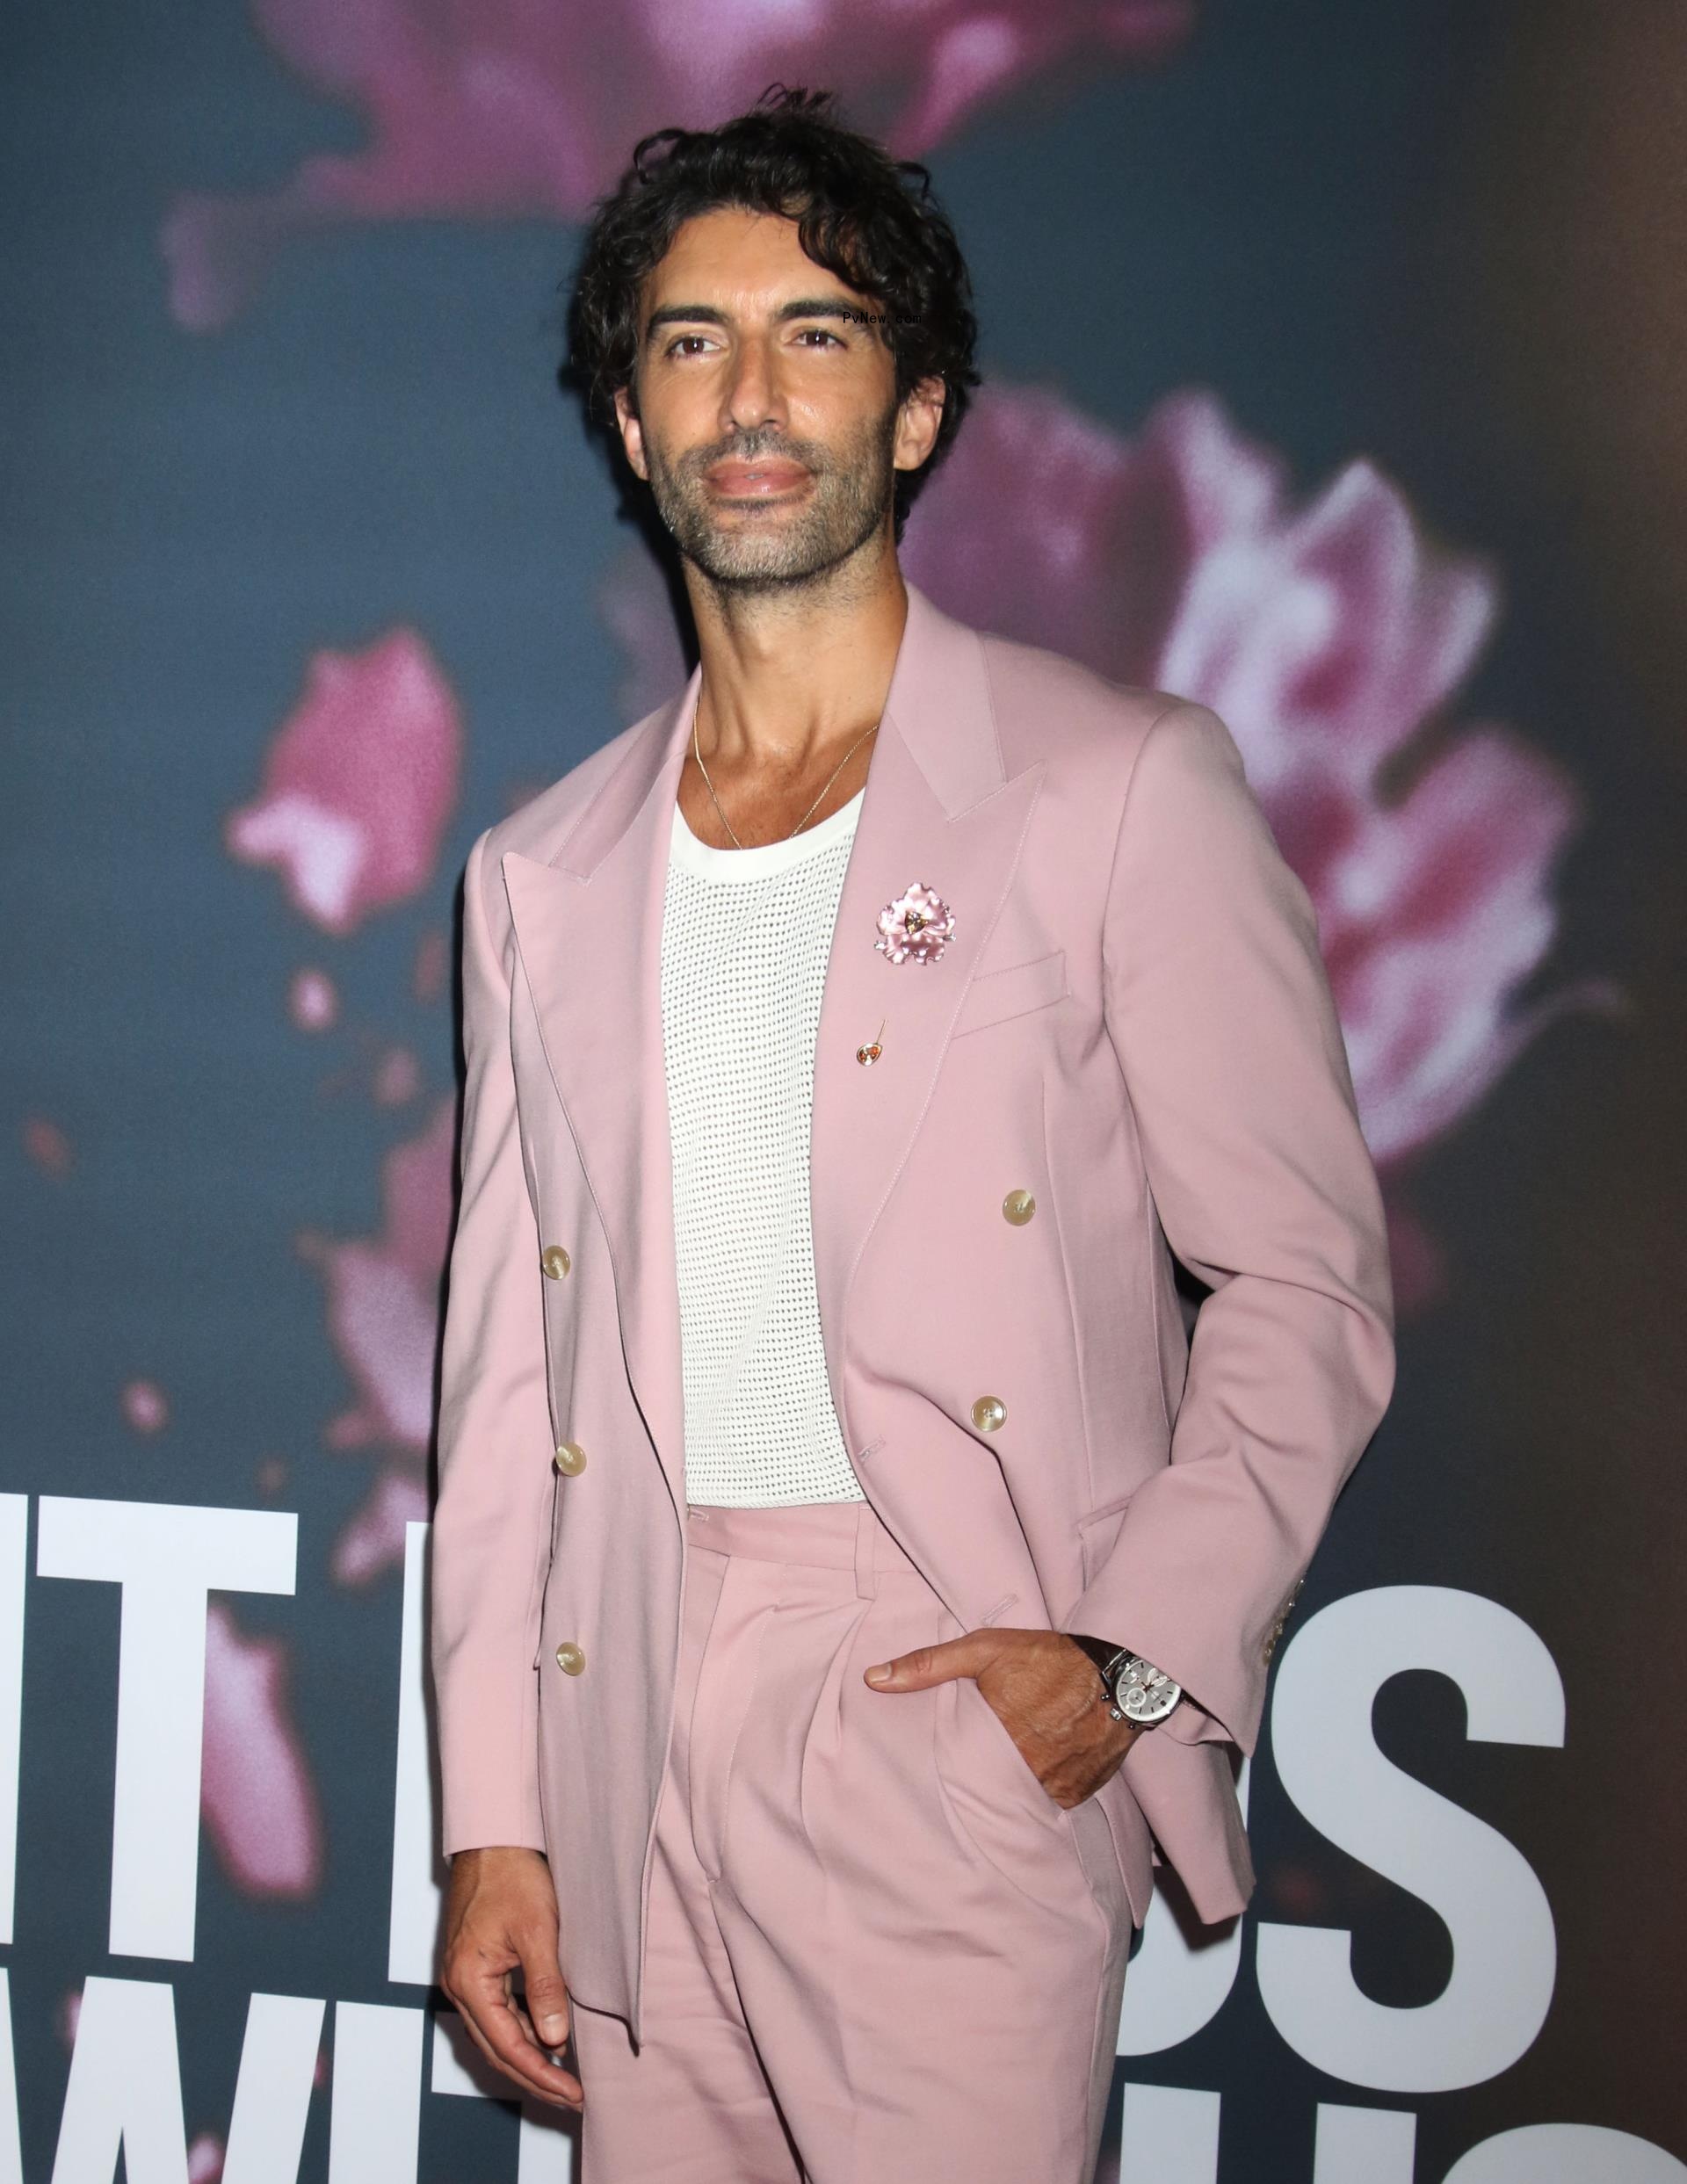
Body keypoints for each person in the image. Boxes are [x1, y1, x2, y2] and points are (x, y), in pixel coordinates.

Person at [430, 83, 1394, 2184]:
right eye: (691, 341)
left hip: (938, 1701)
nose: (751, 393)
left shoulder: (1118, 786)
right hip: (628, 1710)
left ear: (922, 408)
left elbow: (1306, 1278)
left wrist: (1133, 1660)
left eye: (819, 332)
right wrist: (495, 1813)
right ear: (631, 424)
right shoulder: (541, 869)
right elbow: (509, 1388)